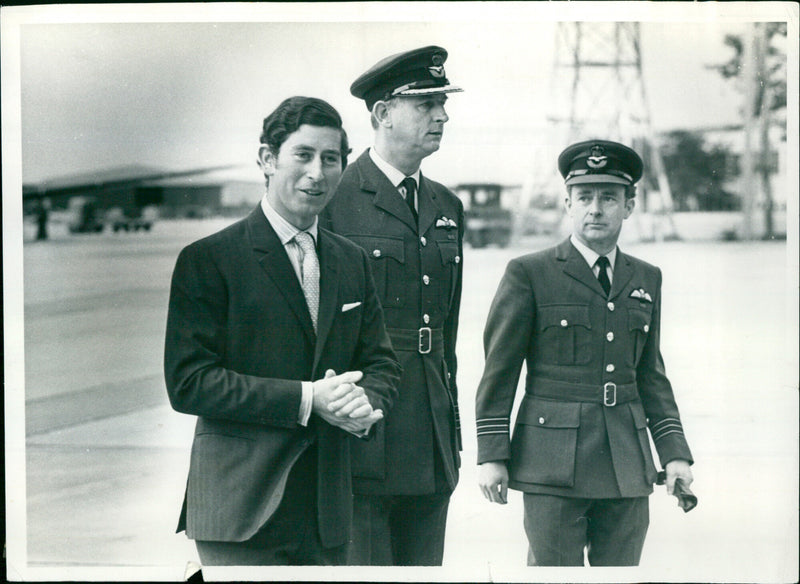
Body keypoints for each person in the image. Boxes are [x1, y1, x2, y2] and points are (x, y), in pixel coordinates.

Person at [164, 96, 401, 566]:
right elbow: (189, 383)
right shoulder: (208, 259)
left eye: (331, 159)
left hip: (327, 510)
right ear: (268, 160)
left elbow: (381, 365)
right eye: (303, 155)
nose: (318, 172)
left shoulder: (351, 261)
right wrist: (308, 399)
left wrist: (366, 404)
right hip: (240, 507)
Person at [475, 139, 695, 566]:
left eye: (609, 197)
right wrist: (492, 456)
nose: (596, 208)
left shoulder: (647, 278)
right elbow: (499, 372)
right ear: (567, 204)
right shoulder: (529, 273)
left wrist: (675, 454)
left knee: (622, 577)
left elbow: (650, 374)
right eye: (585, 197)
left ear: (629, 205)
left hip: (626, 464)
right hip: (551, 462)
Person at [320, 46, 464, 566]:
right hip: (364, 437)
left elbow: (446, 333)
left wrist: (451, 432)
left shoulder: (447, 206)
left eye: (442, 103)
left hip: (429, 437)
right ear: (382, 114)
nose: (442, 115)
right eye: (426, 104)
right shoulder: (334, 199)